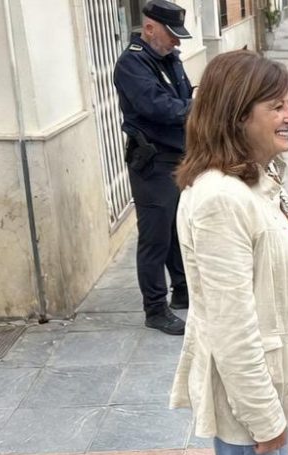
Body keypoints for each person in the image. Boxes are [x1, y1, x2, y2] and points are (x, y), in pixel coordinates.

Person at [169, 51, 288, 455]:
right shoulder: (219, 200)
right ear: (236, 113)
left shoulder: (257, 181)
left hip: (272, 384)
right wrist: (263, 418)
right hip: (252, 397)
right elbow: (231, 330)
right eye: (277, 107)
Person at [113, 0, 194, 335]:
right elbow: (160, 107)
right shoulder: (131, 64)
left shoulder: (169, 58)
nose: (176, 42)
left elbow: (183, 98)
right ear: (149, 29)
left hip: (178, 156)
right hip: (152, 162)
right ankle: (155, 309)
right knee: (155, 237)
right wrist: (200, 109)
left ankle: (182, 290)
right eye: (171, 35)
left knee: (178, 228)